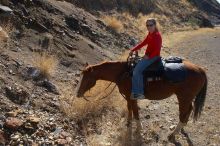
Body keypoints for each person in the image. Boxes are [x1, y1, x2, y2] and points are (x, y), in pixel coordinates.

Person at [130, 18, 162, 100]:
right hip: (148, 56)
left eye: (151, 25)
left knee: (136, 71)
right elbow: (143, 43)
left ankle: (139, 93)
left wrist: (148, 57)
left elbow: (157, 50)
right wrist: (133, 49)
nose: (149, 27)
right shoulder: (150, 34)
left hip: (154, 57)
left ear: (155, 25)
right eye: (147, 25)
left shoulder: (157, 36)